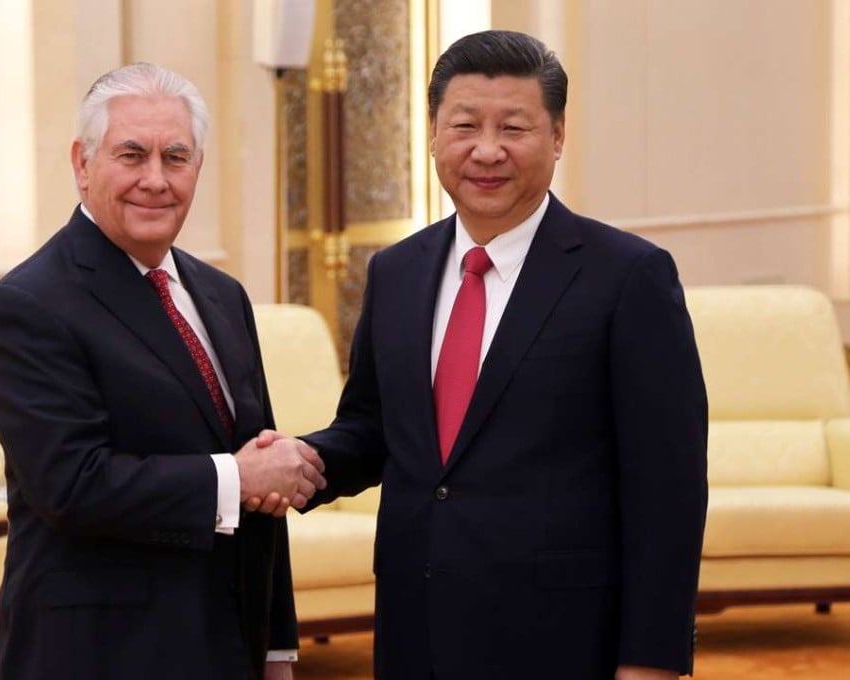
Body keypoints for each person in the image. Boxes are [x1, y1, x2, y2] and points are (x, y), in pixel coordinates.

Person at [255, 30, 708, 679]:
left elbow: (668, 489)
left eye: (514, 127)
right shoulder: (396, 271)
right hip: (418, 628)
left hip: (562, 640)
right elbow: (377, 429)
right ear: (434, 134)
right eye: (465, 125)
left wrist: (652, 661)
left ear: (556, 136)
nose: (487, 150)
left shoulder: (628, 277)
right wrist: (302, 461)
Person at [0, 62, 325, 680]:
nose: (155, 180)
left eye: (176, 157)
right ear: (83, 165)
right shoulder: (29, 304)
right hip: (98, 652)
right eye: (132, 155)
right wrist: (233, 478)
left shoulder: (222, 295)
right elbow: (72, 485)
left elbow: (264, 484)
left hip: (225, 647)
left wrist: (276, 648)